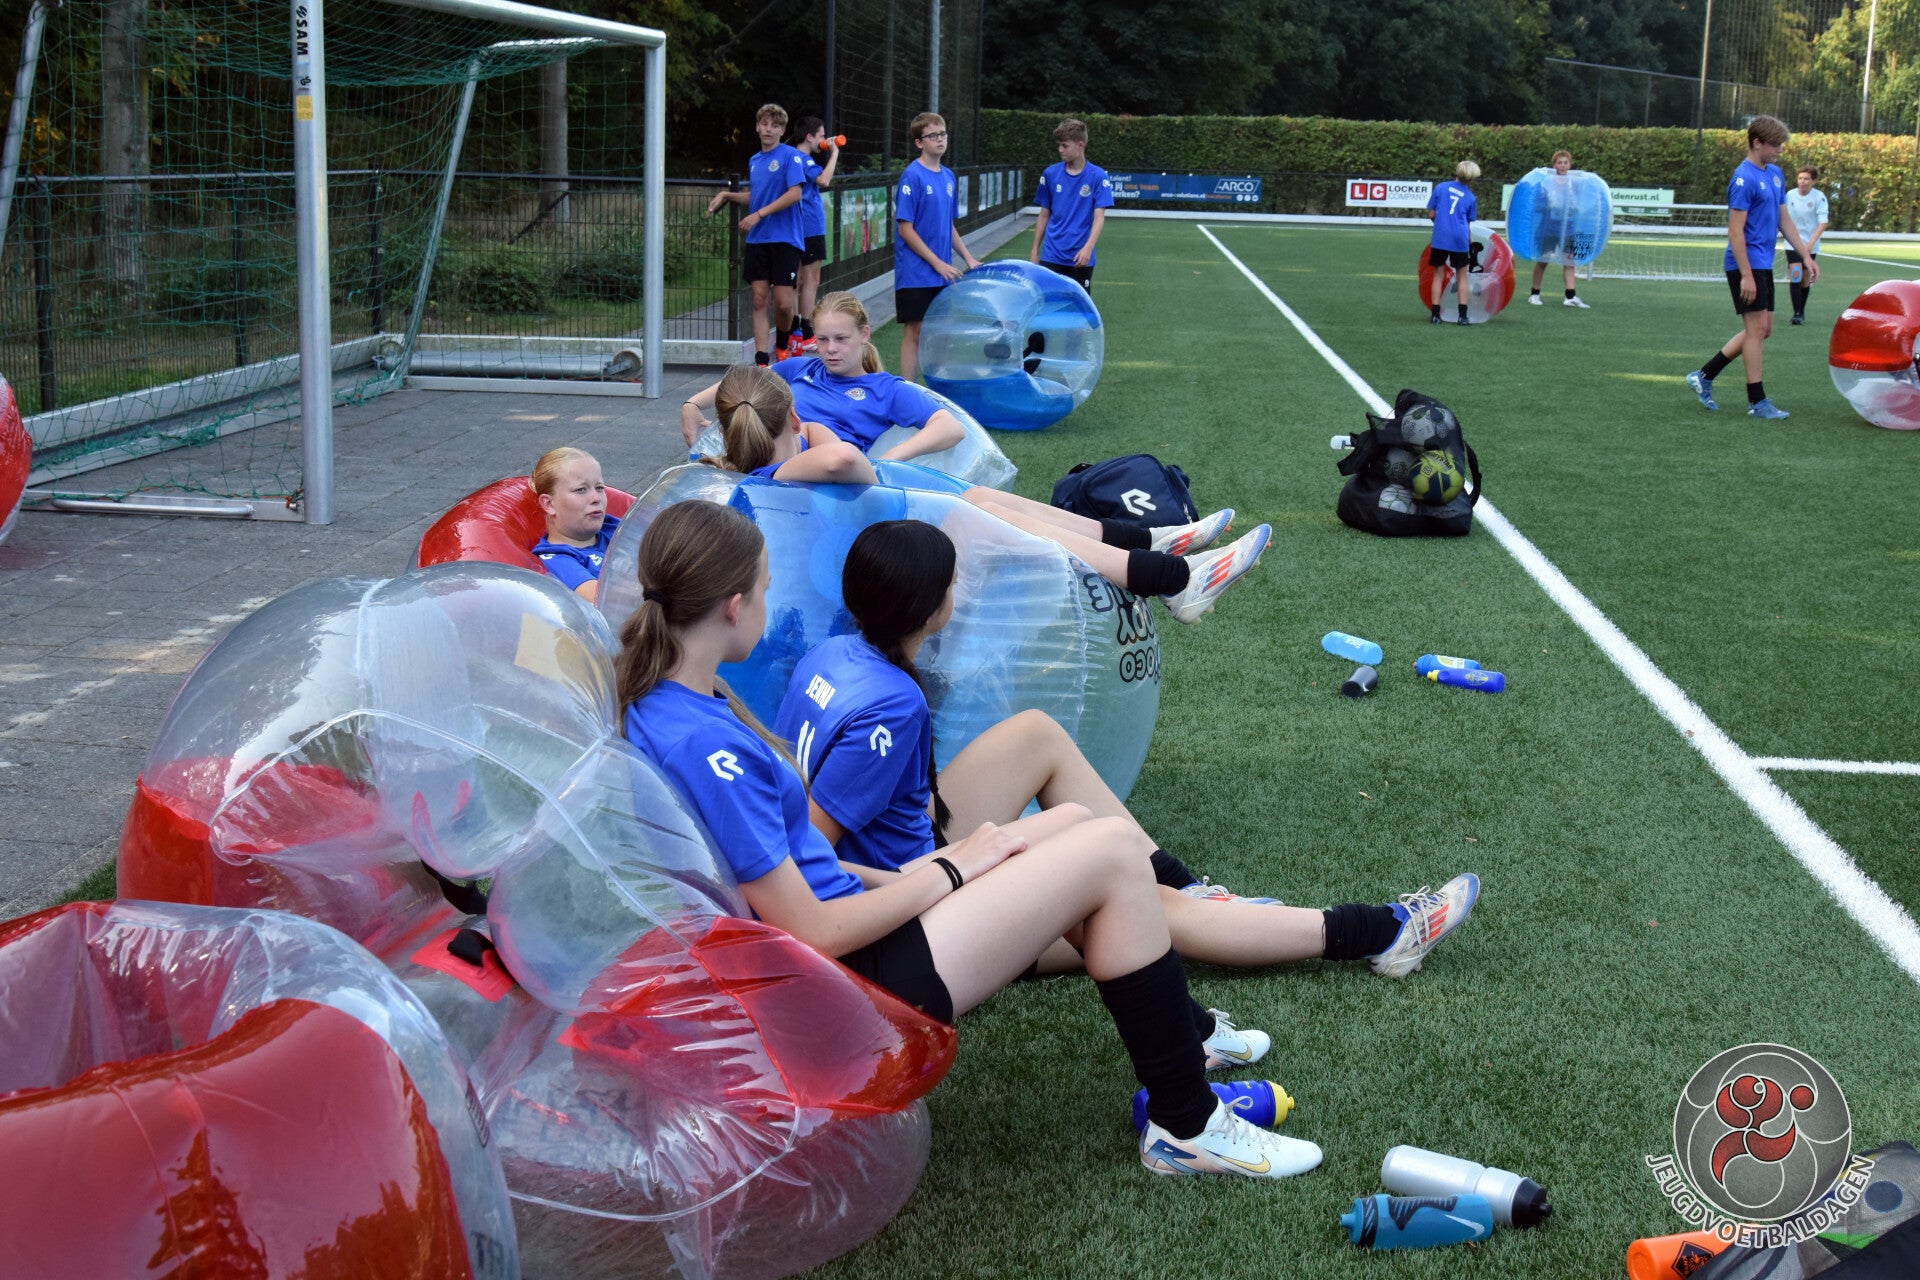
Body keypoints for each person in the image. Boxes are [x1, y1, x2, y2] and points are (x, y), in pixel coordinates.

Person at [618, 499, 1324, 1179]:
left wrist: (927, 868)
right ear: (733, 605)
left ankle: (1188, 1038)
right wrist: (948, 874)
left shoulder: (674, 705)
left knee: (1081, 827)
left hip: (856, 935)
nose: (768, 605)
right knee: (1112, 855)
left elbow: (798, 868)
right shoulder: (706, 745)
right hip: (857, 984)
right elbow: (813, 931)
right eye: (766, 589)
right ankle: (1187, 1124)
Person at [773, 518, 1481, 981]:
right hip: (915, 911)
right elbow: (811, 857)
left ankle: (1185, 883)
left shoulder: (835, 651)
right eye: (952, 580)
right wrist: (945, 877)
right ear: (929, 607)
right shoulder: (892, 709)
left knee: (1035, 733)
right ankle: (1377, 933)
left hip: (916, 845)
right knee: (1137, 906)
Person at [699, 364, 1269, 623]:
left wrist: (808, 430)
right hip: (893, 576)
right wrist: (816, 433)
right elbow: (849, 461)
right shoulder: (778, 475)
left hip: (896, 553)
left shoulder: (766, 469)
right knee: (982, 513)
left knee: (983, 501)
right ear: (792, 418)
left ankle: (1152, 542)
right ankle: (1173, 581)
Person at [1686, 115, 1818, 419]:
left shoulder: (1775, 174)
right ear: (1757, 143)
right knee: (1756, 329)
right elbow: (1735, 232)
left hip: (1763, 263)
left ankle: (1703, 376)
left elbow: (1784, 220)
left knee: (1763, 329)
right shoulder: (1742, 179)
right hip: (1745, 263)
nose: (1780, 150)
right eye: (1775, 144)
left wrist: (1806, 256)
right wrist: (1746, 274)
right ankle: (1757, 402)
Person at [705, 103, 807, 366]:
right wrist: (727, 195)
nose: (768, 129)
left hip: (785, 239)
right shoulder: (754, 161)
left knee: (784, 304)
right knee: (759, 299)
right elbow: (758, 196)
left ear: (782, 130)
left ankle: (782, 344)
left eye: (775, 125)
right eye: (764, 124)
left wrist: (759, 215)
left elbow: (794, 194)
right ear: (757, 127)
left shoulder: (791, 156)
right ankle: (761, 360)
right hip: (758, 240)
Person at [895, 111, 981, 382]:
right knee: (916, 331)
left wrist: (967, 258)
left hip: (942, 272)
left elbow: (947, 225)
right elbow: (905, 229)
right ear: (919, 142)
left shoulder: (948, 176)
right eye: (932, 136)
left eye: (942, 134)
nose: (940, 139)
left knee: (941, 332)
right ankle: (908, 390)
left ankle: (937, 389)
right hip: (916, 272)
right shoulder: (912, 176)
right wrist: (937, 263)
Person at [1029, 119, 1113, 291]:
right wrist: (1034, 251)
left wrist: (1088, 248)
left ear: (1080, 145)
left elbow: (1099, 217)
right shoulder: (1050, 173)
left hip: (1080, 257)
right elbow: (1044, 214)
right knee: (1050, 302)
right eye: (1059, 145)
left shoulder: (1098, 176)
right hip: (1051, 255)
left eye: (1065, 146)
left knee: (1077, 305)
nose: (1060, 150)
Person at [530, 446, 618, 604]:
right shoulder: (557, 559)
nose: (596, 498)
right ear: (549, 504)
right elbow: (605, 601)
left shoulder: (614, 527)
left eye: (599, 488)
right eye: (581, 490)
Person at [787, 116, 840, 354]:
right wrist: (834, 152)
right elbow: (824, 180)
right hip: (809, 225)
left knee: (797, 279)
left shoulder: (791, 157)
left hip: (798, 226)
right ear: (809, 137)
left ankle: (794, 330)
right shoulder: (804, 159)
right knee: (810, 279)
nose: (824, 140)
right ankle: (806, 332)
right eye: (821, 135)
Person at [1526, 150, 1589, 309]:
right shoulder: (1547, 183)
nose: (1562, 165)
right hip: (1549, 229)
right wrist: (1549, 204)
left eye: (1565, 162)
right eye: (1559, 162)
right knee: (1543, 260)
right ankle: (1534, 294)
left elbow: (1580, 205)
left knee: (1569, 261)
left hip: (1568, 229)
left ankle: (1570, 296)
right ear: (1554, 165)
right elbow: (1538, 205)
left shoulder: (1574, 184)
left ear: (1570, 165)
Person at [1425, 161, 1479, 326]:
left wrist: (1441, 225)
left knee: (1438, 275)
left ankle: (1435, 315)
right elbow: (1467, 225)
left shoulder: (1441, 187)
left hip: (1441, 237)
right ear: (1471, 178)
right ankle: (1462, 317)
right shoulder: (1470, 197)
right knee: (1462, 276)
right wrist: (1469, 242)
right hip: (1460, 239)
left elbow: (1431, 213)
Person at [1784, 166, 1828, 326]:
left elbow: (1823, 223)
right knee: (1795, 274)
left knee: (1805, 279)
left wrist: (1810, 243)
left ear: (1813, 181)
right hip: (1792, 243)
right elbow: (1783, 216)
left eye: (1806, 179)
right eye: (1800, 178)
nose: (1802, 181)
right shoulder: (1790, 195)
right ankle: (1796, 313)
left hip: (1810, 244)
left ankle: (1801, 310)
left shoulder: (1819, 197)